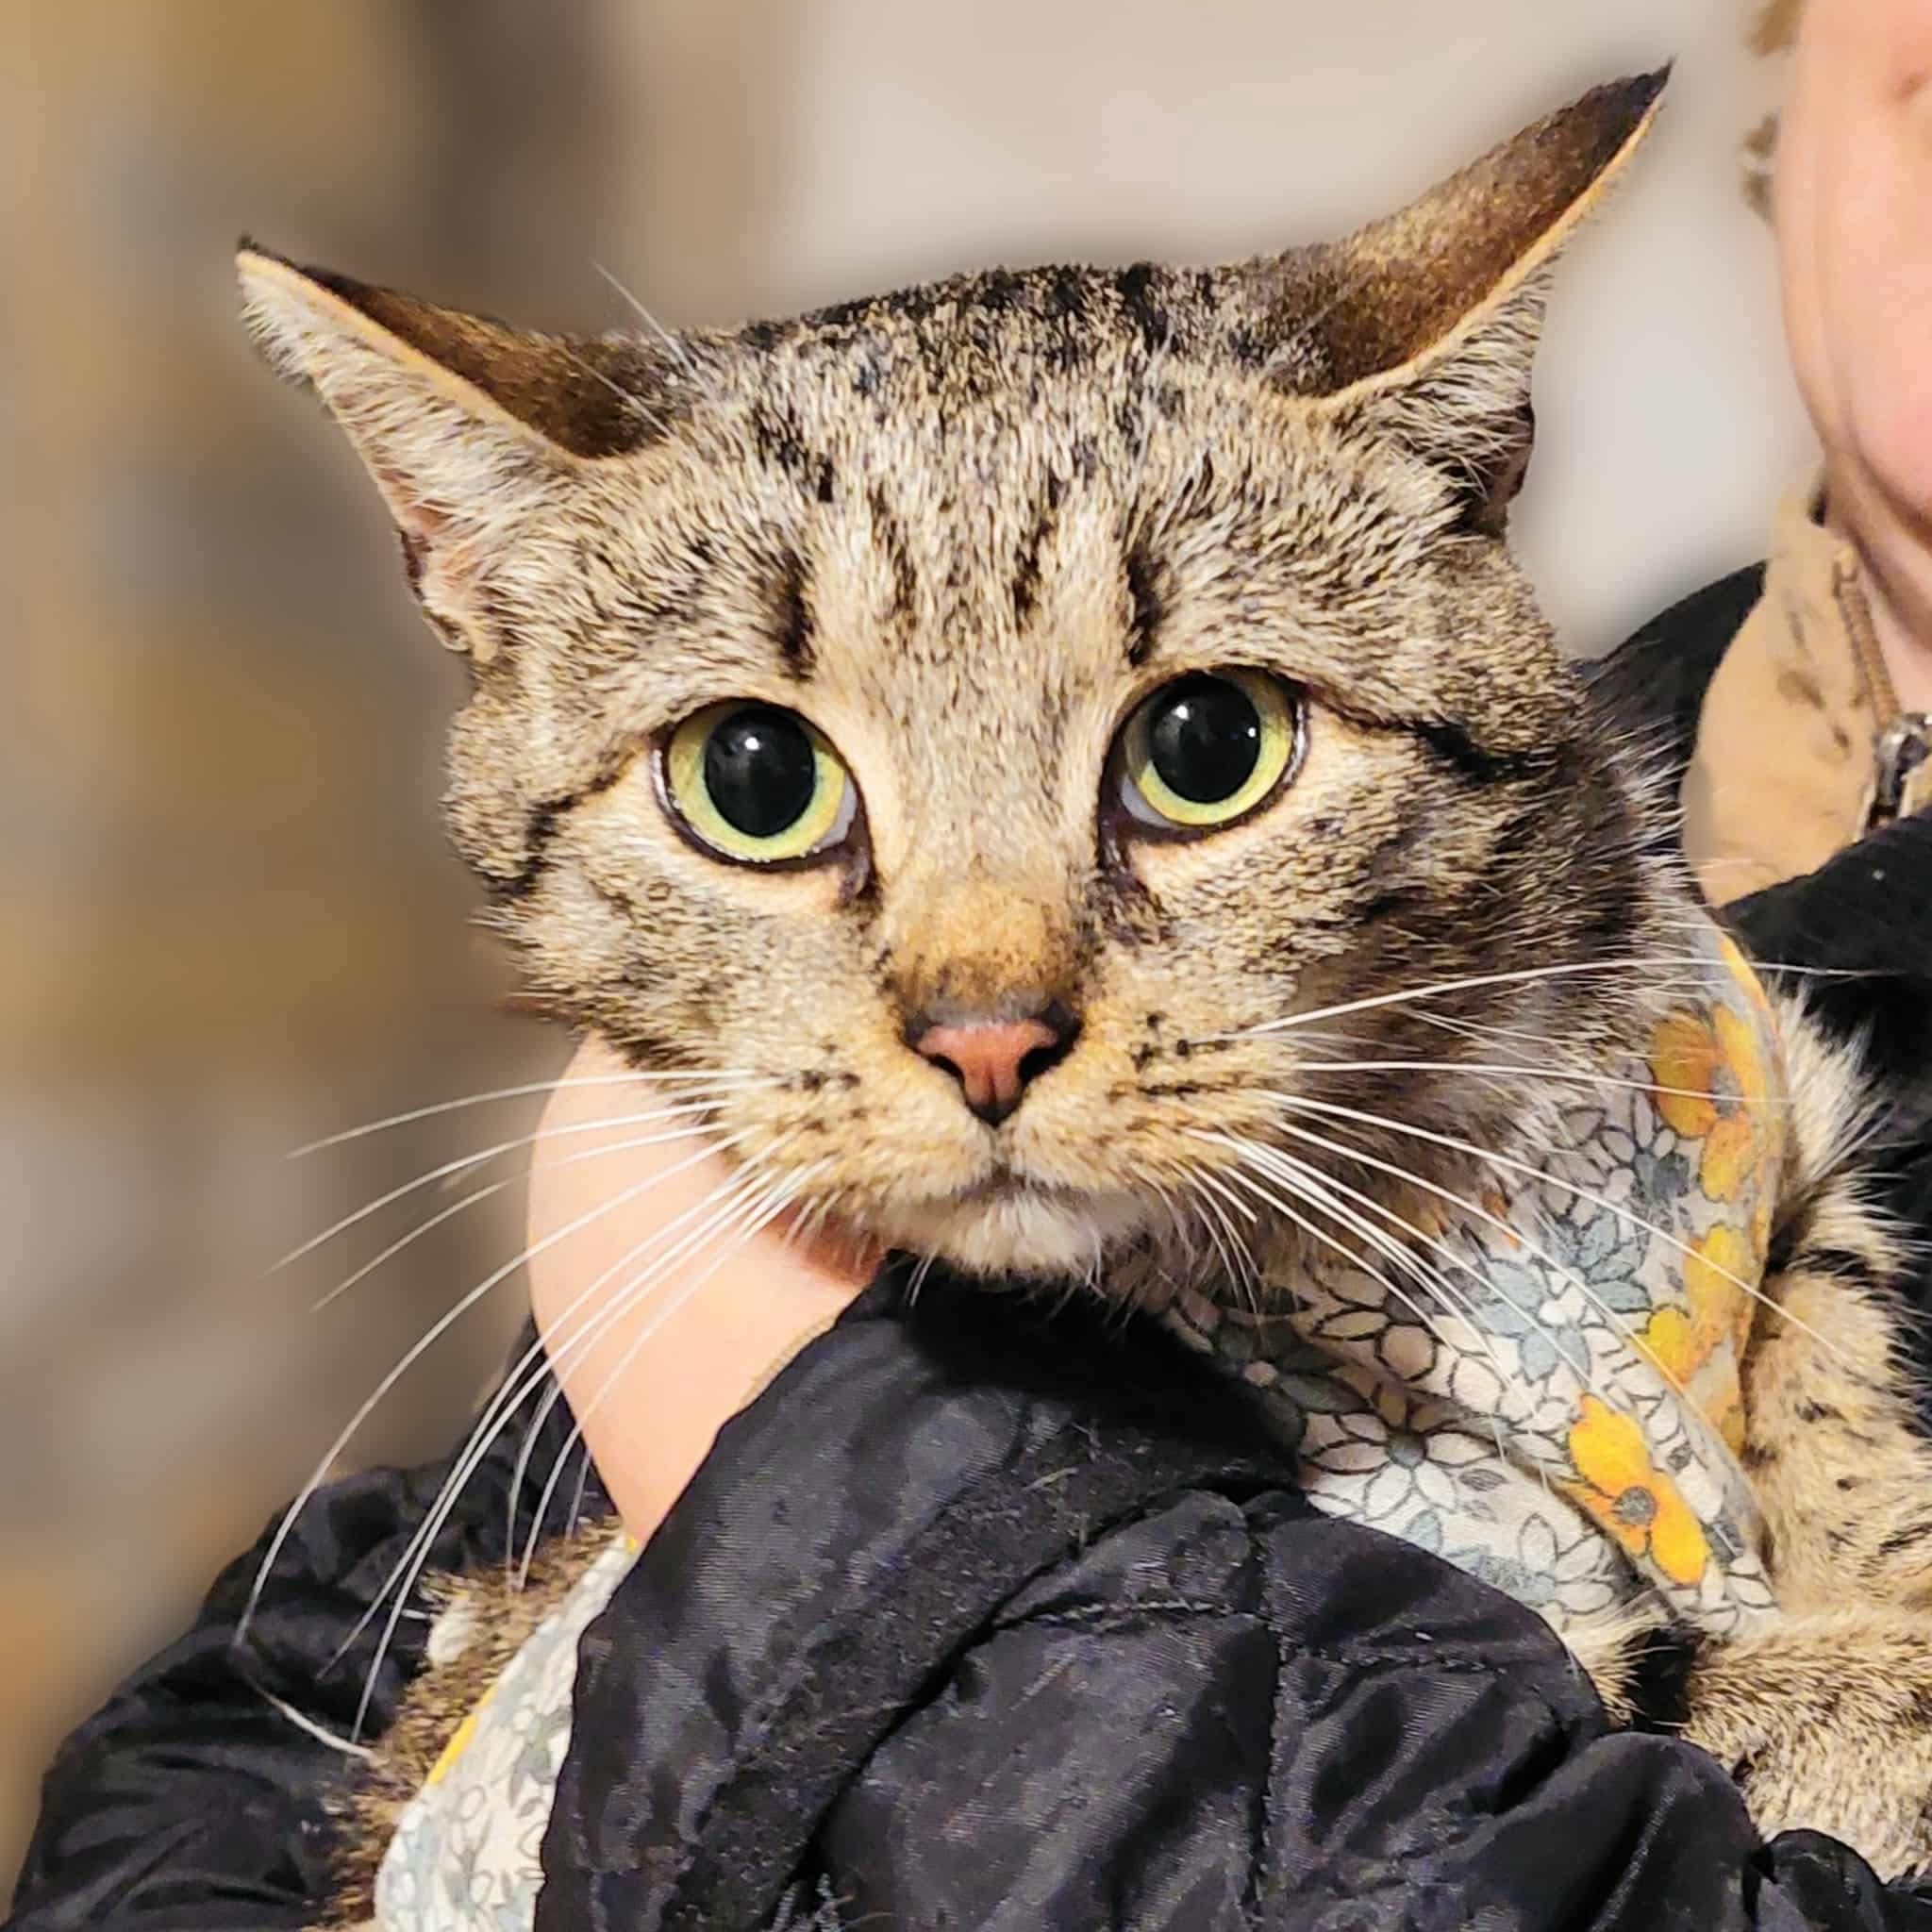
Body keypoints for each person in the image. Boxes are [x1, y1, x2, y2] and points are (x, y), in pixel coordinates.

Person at [9, 12, 1932, 1929]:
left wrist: (809, 1444)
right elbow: (244, 1739)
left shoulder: (1643, 1037)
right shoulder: (763, 1124)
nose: (984, 1009)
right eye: (759, 783)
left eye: (1204, 748)